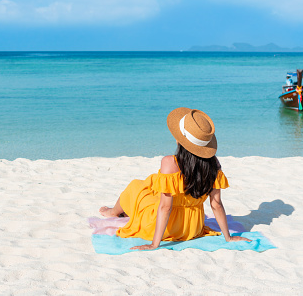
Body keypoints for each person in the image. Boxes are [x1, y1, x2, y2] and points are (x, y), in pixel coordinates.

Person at [99, 107, 250, 250]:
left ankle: (113, 212)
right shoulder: (214, 165)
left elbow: (165, 207)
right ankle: (120, 211)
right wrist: (228, 237)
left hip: (167, 229)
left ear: (179, 140)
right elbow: (216, 205)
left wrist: (154, 244)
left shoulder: (169, 162)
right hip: (192, 229)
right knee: (151, 182)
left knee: (136, 186)